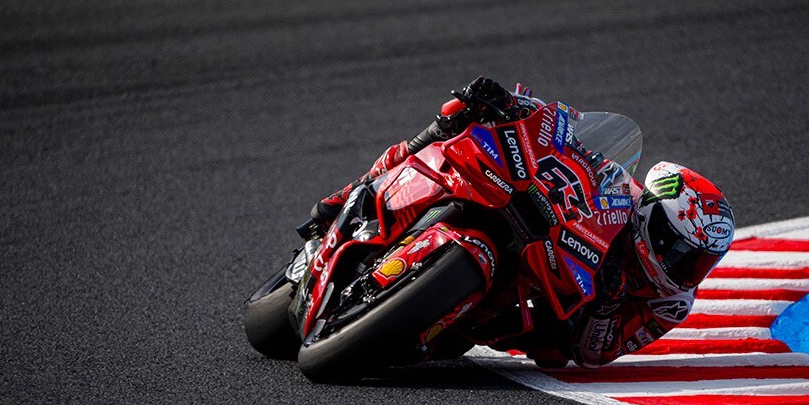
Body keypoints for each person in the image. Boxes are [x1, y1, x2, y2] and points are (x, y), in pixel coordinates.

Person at [302, 76, 735, 369]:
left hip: (538, 313)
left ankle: (424, 313)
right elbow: (564, 138)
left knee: (512, 348)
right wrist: (512, 105)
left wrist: (605, 303)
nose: (680, 266)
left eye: (697, 261)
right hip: (532, 225)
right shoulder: (620, 192)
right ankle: (345, 197)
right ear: (651, 215)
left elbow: (595, 354)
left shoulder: (669, 304)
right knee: (452, 122)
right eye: (675, 246)